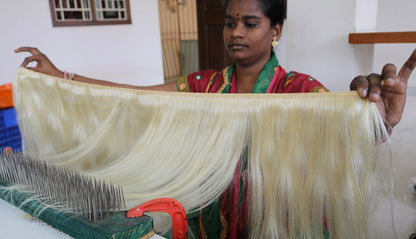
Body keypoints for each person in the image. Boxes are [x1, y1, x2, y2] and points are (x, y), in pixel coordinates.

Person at [14, 0, 415, 238]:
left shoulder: (299, 90)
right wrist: (63, 77)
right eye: (229, 22)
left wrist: (383, 118)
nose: (235, 32)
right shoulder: (204, 84)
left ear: (276, 30)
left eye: (250, 23)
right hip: (210, 221)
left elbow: (346, 134)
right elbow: (131, 98)